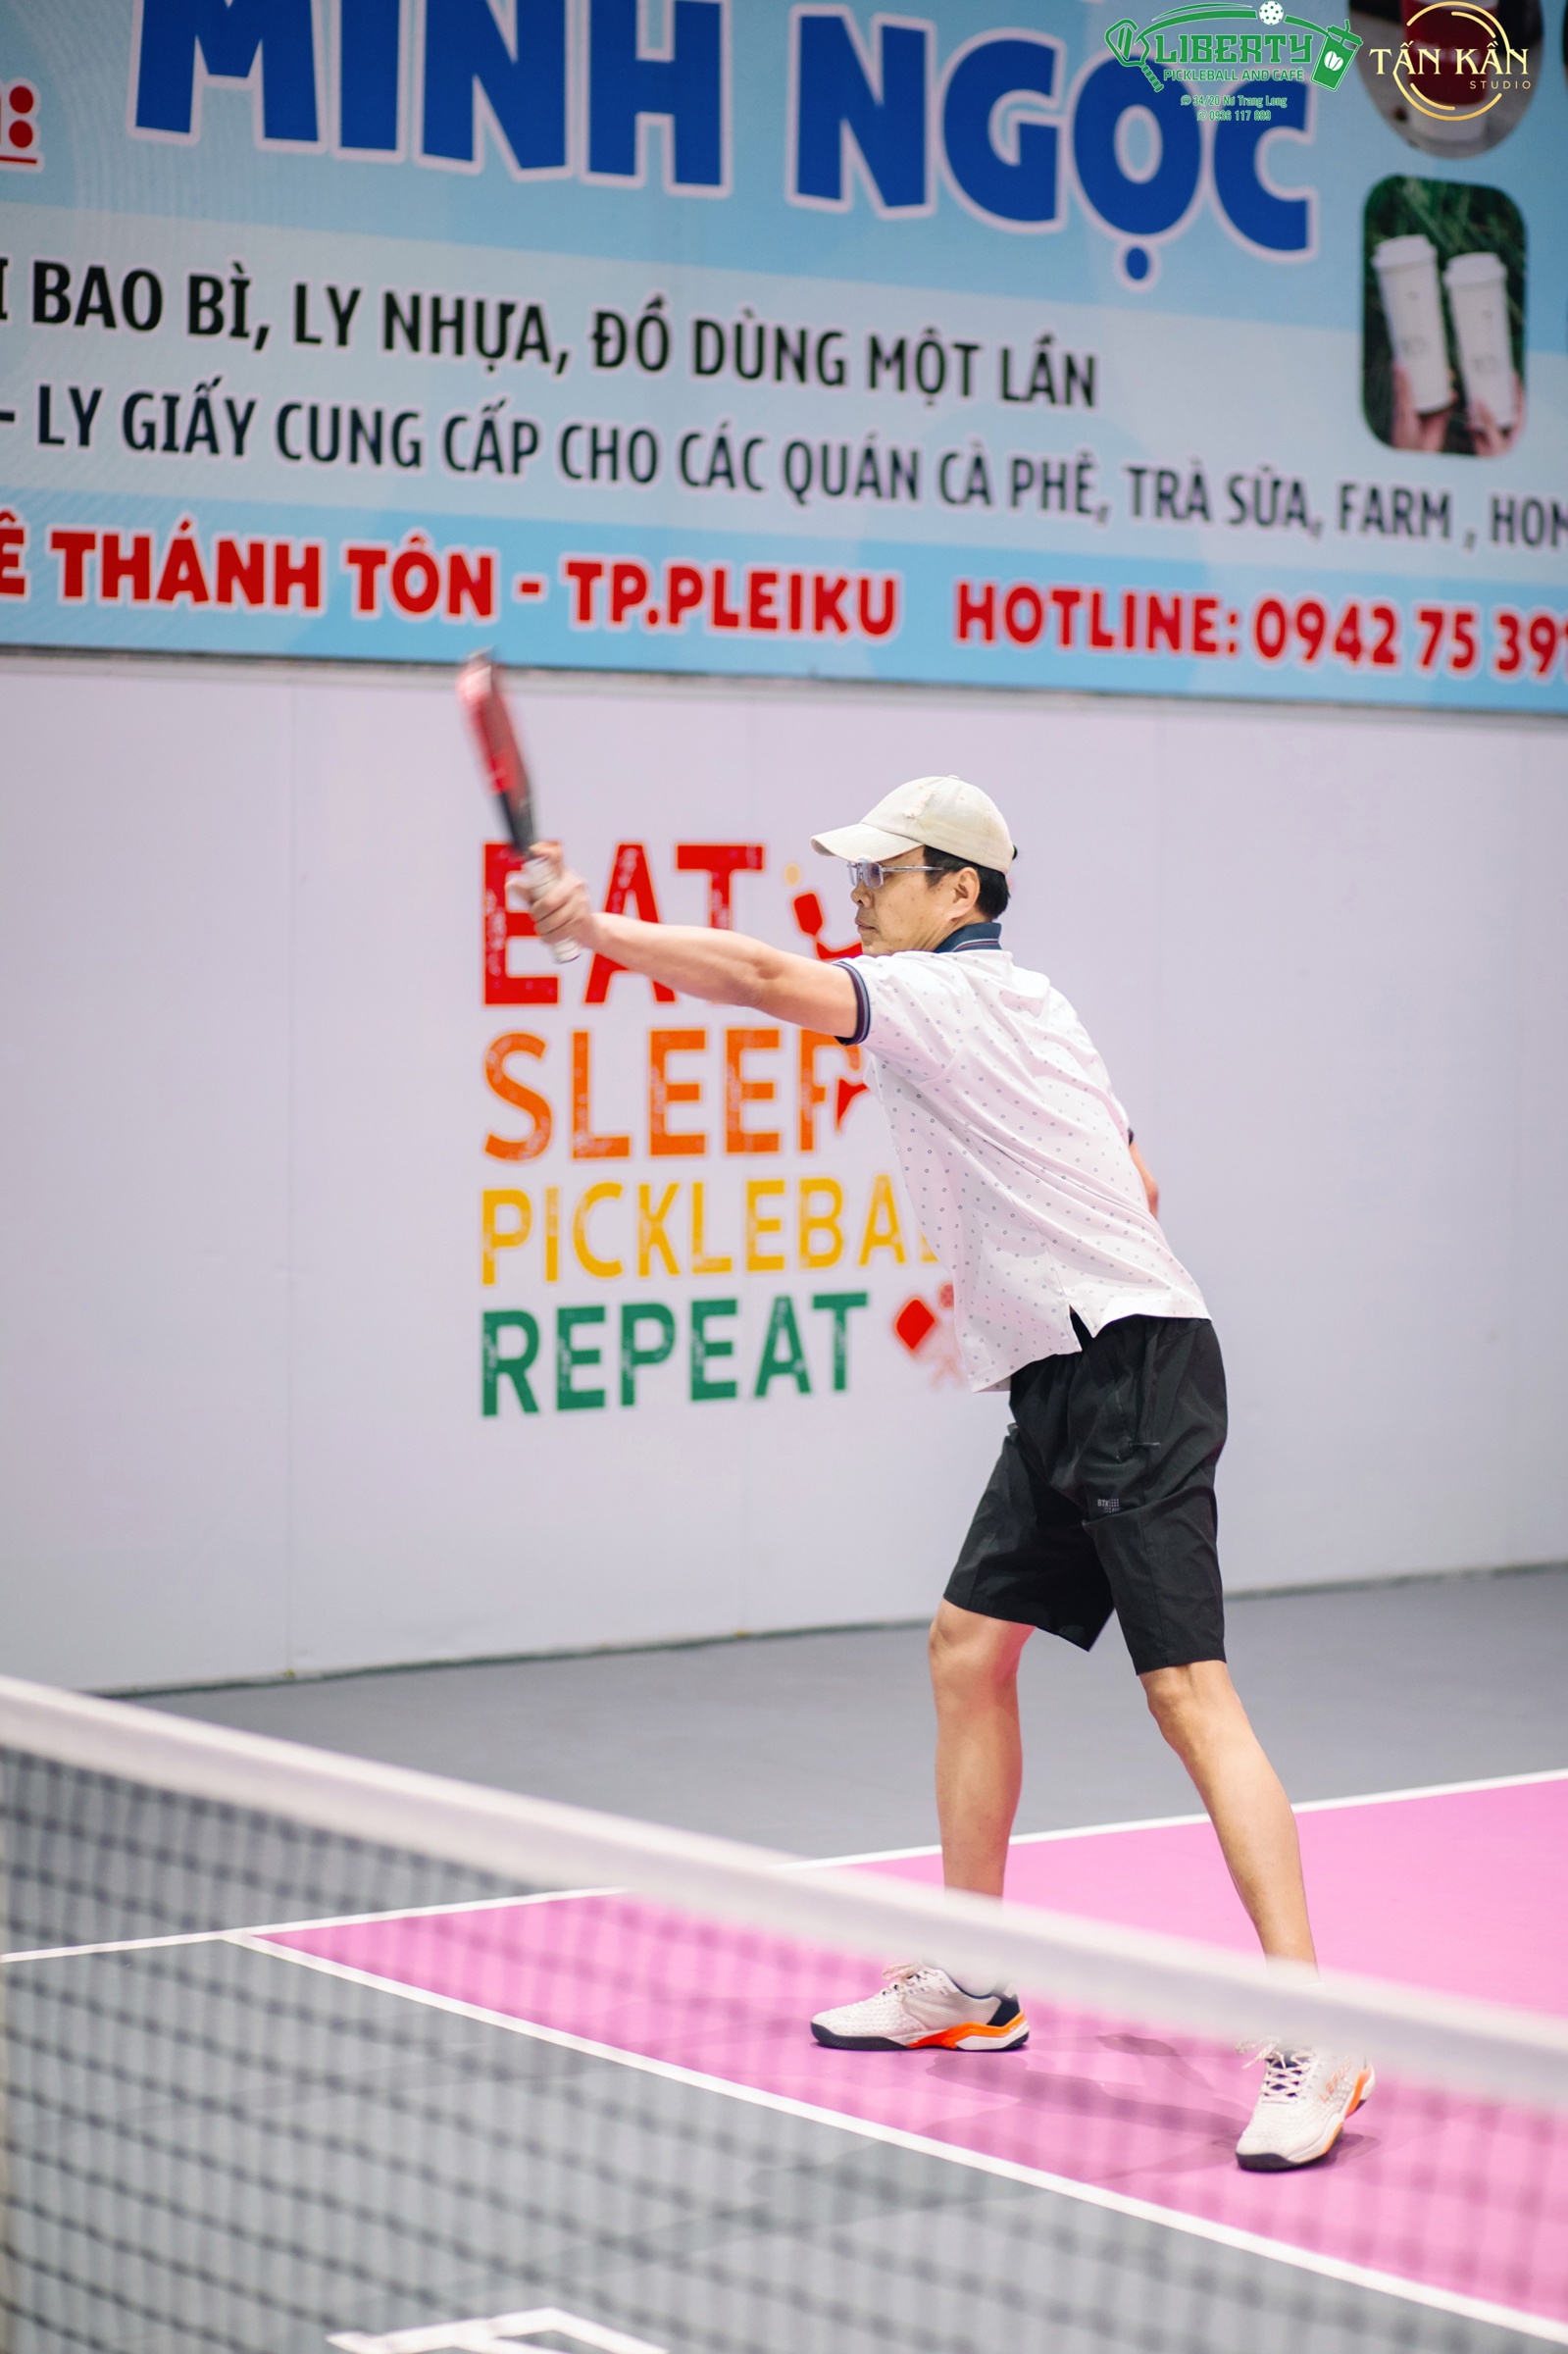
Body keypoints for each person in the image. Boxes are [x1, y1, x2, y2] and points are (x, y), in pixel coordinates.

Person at [526, 773, 1373, 2173]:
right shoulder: (1035, 1007)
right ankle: (975, 1982)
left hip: (1130, 1369)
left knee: (1186, 1693)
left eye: (886, 873)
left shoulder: (943, 994)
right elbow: (1141, 1188)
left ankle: (1316, 2032)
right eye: (857, 874)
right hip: (1066, 1367)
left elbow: (756, 976)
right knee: (967, 1650)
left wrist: (592, 929)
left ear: (960, 890)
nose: (860, 895)